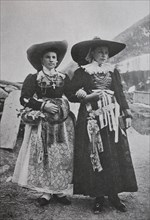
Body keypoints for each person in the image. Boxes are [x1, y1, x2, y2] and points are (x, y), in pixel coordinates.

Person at [69, 37, 138, 213]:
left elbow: (120, 93)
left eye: (106, 52)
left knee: (113, 152)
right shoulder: (82, 72)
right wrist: (79, 92)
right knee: (96, 153)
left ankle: (114, 195)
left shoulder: (112, 71)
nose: (103, 55)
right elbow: (70, 93)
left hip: (112, 117)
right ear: (91, 53)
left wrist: (126, 113)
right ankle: (99, 196)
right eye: (100, 52)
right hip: (91, 117)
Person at [12, 40, 75, 206]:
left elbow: (71, 94)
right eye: (48, 57)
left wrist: (83, 93)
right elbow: (24, 98)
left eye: (54, 57)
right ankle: (46, 192)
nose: (52, 60)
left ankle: (59, 191)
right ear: (41, 60)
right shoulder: (34, 78)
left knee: (60, 155)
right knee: (45, 155)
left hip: (61, 124)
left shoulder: (63, 77)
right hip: (43, 123)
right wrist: (43, 105)